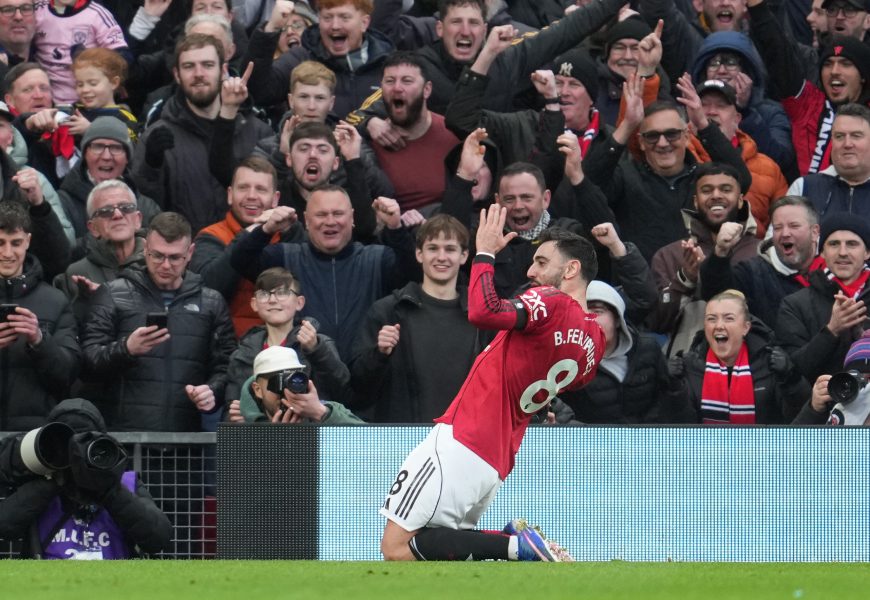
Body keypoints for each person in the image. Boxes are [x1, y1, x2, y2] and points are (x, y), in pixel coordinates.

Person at [379, 208, 605, 562]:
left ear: (571, 269)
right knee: (438, 552)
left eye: (542, 262)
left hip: (465, 437)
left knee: (396, 547)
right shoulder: (595, 339)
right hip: (497, 459)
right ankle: (512, 540)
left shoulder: (552, 301)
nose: (530, 272)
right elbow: (560, 381)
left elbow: (483, 312)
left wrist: (484, 252)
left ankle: (516, 546)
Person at [80, 212, 237, 432]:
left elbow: (227, 366)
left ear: (190, 253)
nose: (165, 265)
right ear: (145, 248)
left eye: (175, 258)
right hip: (124, 438)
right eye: (157, 255)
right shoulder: (113, 294)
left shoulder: (211, 302)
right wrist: (126, 349)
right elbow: (87, 364)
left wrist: (213, 391)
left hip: (186, 438)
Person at [229, 185, 415, 361]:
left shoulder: (377, 258)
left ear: (352, 218)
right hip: (305, 374)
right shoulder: (286, 258)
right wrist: (267, 230)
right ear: (306, 220)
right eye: (321, 214)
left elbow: (413, 273)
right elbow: (240, 260)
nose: (330, 221)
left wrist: (395, 227)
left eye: (338, 213)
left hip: (369, 371)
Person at [350, 214, 491, 422]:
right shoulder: (387, 311)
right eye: (433, 248)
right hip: (406, 438)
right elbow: (358, 388)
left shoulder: (483, 318)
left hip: (466, 436)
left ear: (464, 256)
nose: (441, 257)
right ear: (419, 254)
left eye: (450, 249)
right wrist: (379, 354)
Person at [132, 33, 272, 234]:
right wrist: (151, 167)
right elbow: (144, 207)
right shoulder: (157, 135)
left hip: (251, 244)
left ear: (223, 71)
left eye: (207, 65)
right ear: (177, 74)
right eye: (189, 66)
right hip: (186, 248)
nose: (199, 74)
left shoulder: (258, 131)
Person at [0, 398, 173, 558]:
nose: (76, 456)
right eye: (68, 447)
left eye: (83, 445)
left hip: (115, 581)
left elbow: (158, 538)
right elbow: (5, 526)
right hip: (46, 581)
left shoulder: (125, 483)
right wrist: (54, 481)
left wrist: (110, 490)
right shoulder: (39, 482)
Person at [648, 162, 759, 349]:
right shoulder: (670, 254)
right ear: (695, 201)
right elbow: (658, 322)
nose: (716, 195)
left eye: (726, 189)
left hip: (753, 359)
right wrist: (686, 279)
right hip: (688, 361)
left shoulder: (761, 252)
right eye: (707, 190)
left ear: (740, 200)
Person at [560, 279, 688, 424]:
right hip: (592, 438)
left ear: (617, 318)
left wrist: (676, 385)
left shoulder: (648, 349)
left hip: (647, 437)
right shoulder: (565, 362)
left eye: (597, 311)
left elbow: (675, 411)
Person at [225, 266, 350, 413]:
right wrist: (237, 417)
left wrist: (316, 350)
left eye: (282, 292)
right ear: (254, 304)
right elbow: (231, 405)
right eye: (264, 294)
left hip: (310, 426)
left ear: (299, 302)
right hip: (258, 428)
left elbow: (341, 389)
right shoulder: (243, 353)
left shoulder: (318, 344)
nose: (272, 300)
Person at [0, 201, 79, 431]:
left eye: (16, 243)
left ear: (28, 241)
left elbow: (68, 376)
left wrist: (39, 341)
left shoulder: (55, 301)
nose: (7, 253)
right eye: (0, 243)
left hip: (33, 436)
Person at [674, 289, 810, 423]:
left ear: (746, 327)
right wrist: (671, 387)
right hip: (705, 439)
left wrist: (791, 380)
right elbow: (678, 426)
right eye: (711, 319)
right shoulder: (688, 366)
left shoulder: (770, 364)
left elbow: (799, 420)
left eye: (729, 318)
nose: (719, 325)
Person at [191, 155, 290, 338]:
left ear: (275, 199)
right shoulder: (210, 236)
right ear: (230, 194)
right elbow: (208, 289)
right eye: (243, 188)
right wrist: (253, 234)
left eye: (261, 189)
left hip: (282, 343)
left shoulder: (289, 237)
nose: (251, 196)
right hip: (227, 345)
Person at [700, 195, 823, 331]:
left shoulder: (832, 269)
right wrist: (720, 252)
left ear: (814, 232)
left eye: (794, 226)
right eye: (778, 227)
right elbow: (715, 295)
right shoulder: (752, 272)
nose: (785, 233)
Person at [776, 213, 870, 382]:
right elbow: (791, 373)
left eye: (852, 244)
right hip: (820, 398)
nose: (843, 252)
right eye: (834, 244)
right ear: (822, 252)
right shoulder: (794, 305)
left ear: (867, 252)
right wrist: (831, 330)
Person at [369, 51, 459, 213]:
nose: (397, 88)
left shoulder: (453, 134)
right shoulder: (368, 141)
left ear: (427, 89)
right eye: (390, 81)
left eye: (407, 81)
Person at [696, 79, 788, 236]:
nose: (711, 112)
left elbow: (783, 223)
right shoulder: (681, 157)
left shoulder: (769, 168)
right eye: (703, 105)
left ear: (737, 119)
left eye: (721, 106)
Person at [57, 116, 160, 252]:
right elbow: (60, 254)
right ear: (85, 154)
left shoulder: (146, 205)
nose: (106, 156)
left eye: (116, 148)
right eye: (98, 147)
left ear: (127, 159)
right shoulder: (63, 202)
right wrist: (107, 234)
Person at [54, 179, 146, 328]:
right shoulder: (77, 273)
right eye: (106, 211)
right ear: (93, 228)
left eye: (126, 207)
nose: (117, 214)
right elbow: (72, 329)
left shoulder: (160, 264)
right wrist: (87, 300)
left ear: (138, 220)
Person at [229, 345, 361, 424]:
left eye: (291, 381)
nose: (285, 392)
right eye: (277, 383)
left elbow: (368, 445)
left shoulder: (329, 411)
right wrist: (273, 439)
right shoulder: (242, 424)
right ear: (257, 390)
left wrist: (320, 413)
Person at [32, 0, 128, 105]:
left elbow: (121, 57)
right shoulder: (37, 10)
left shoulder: (97, 14)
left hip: (88, 100)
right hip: (45, 99)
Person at [787, 103, 870, 221]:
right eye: (839, 136)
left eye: (856, 136)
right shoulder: (803, 188)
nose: (847, 144)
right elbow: (780, 231)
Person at [792, 329, 870, 424]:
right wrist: (814, 410)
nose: (867, 388)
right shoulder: (841, 406)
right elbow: (794, 434)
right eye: (858, 378)